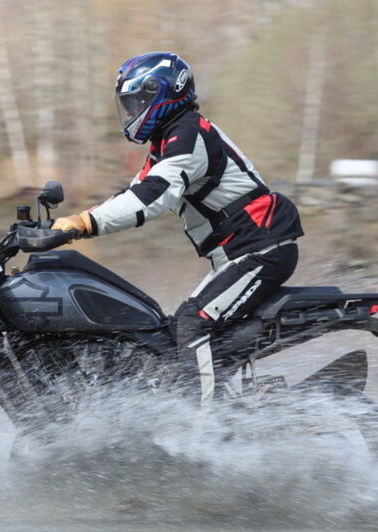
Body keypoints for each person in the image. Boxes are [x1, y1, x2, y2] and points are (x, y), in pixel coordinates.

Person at [52, 52, 303, 405]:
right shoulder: (169, 140)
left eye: (136, 101)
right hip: (241, 252)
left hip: (263, 248)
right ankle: (234, 409)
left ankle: (201, 431)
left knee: (192, 324)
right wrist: (67, 223)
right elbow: (134, 192)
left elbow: (152, 197)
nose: (129, 111)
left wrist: (83, 224)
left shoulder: (187, 136)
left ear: (162, 94)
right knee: (172, 335)